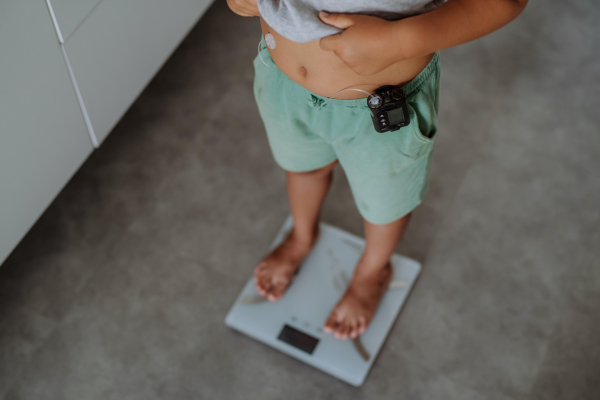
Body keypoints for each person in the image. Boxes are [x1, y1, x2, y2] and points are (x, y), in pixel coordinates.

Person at [226, 0, 528, 340]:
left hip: (383, 106)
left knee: (384, 205)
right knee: (303, 169)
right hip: (284, 84)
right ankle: (301, 236)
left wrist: (399, 40)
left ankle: (372, 271)